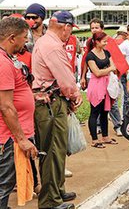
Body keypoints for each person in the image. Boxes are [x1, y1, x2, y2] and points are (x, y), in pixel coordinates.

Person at [32, 11, 81, 209]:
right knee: (53, 150)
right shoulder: (52, 45)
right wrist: (75, 96)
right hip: (51, 102)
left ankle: (56, 190)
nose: (69, 33)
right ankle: (50, 200)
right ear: (65, 26)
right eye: (70, 28)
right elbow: (66, 79)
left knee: (55, 150)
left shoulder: (45, 42)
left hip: (49, 100)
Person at [0, 17, 38, 208]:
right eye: (24, 38)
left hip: (11, 135)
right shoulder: (3, 63)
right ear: (12, 37)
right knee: (4, 185)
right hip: (9, 138)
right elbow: (6, 106)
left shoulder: (6, 59)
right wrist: (21, 139)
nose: (26, 42)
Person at [86, 32, 118, 148]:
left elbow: (113, 67)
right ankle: (94, 139)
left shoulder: (106, 52)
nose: (106, 43)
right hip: (96, 85)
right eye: (104, 41)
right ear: (97, 42)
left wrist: (108, 70)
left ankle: (105, 136)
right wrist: (109, 69)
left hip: (106, 85)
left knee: (105, 111)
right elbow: (97, 72)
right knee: (94, 112)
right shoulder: (90, 56)